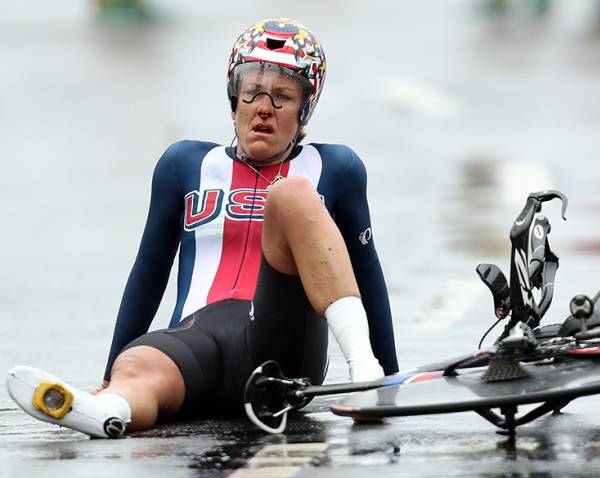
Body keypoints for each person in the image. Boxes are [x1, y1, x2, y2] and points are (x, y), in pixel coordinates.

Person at [6, 18, 398, 438]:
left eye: (283, 97)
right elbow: (148, 273)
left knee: (292, 195)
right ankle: (106, 409)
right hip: (200, 344)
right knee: (137, 367)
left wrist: (390, 379)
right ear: (234, 101)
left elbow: (367, 275)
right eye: (252, 92)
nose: (264, 107)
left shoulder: (335, 168)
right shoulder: (184, 164)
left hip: (281, 354)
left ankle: (366, 376)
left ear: (304, 110)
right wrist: (111, 371)